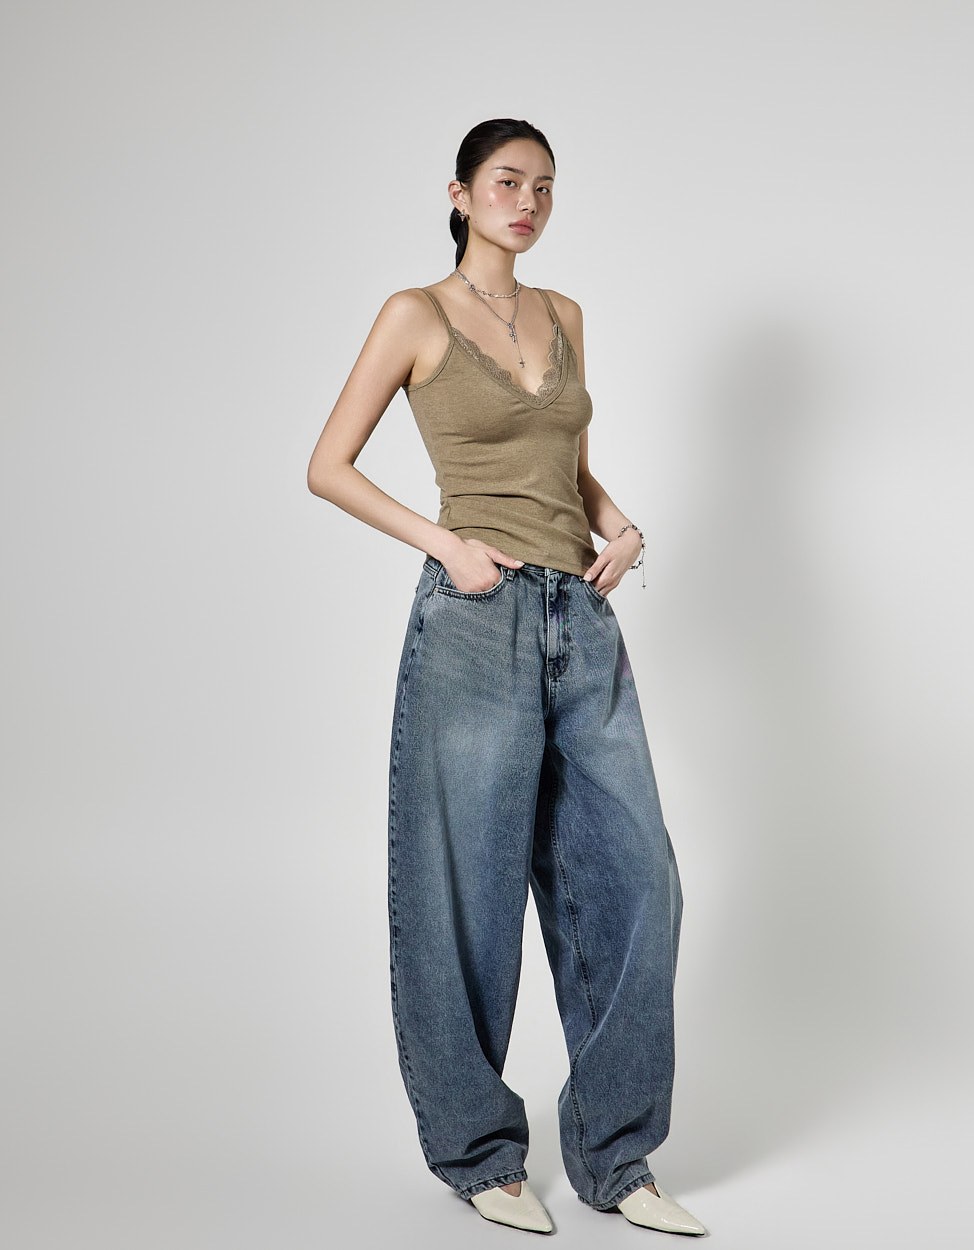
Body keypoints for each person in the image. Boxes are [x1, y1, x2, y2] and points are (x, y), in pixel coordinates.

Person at [307, 118, 706, 1237]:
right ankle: (479, 1151)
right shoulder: (415, 313)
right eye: (506, 182)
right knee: (464, 889)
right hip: (476, 620)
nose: (527, 202)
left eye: (544, 187)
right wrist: (447, 546)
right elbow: (327, 465)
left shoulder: (564, 314)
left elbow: (563, 463)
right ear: (460, 193)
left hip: (581, 619)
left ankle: (617, 1156)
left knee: (637, 879)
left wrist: (618, 522)